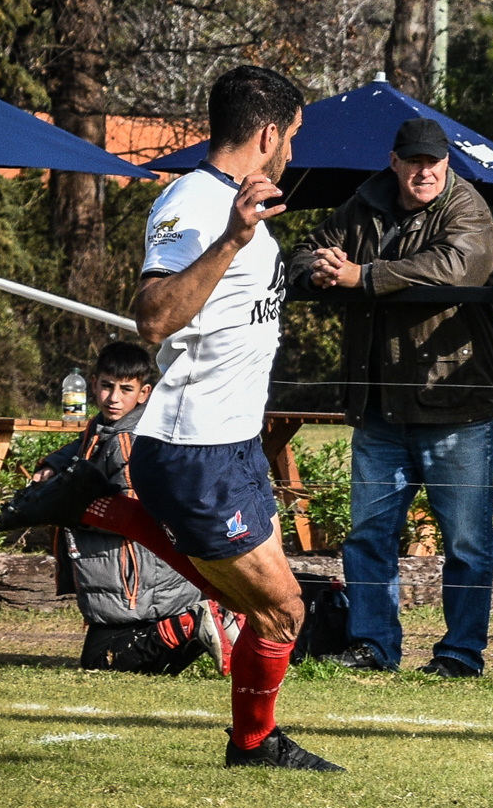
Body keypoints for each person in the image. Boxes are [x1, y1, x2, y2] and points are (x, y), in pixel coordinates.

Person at [131, 64, 341, 770]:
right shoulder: (195, 203)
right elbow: (154, 317)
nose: (293, 154)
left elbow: (235, 303)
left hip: (234, 445)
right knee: (284, 609)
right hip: (195, 449)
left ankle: (255, 743)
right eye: (293, 138)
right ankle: (253, 745)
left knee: (270, 609)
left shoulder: (238, 203)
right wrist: (231, 239)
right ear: (267, 133)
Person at [286, 117, 493, 678]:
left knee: (466, 544)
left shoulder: (467, 207)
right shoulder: (363, 205)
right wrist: (321, 274)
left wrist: (365, 276)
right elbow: (306, 252)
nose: (424, 171)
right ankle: (374, 646)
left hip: (454, 407)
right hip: (378, 407)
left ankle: (459, 654)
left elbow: (461, 265)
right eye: (414, 161)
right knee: (367, 537)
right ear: (395, 161)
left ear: (447, 163)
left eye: (434, 161)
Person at [34, 343, 237, 676]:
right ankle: (200, 624)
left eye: (125, 389)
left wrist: (64, 510)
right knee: (136, 662)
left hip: (140, 582)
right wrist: (54, 465)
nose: (113, 397)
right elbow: (85, 446)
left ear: (144, 393)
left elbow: (134, 511)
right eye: (106, 386)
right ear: (93, 382)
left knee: (101, 661)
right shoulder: (113, 427)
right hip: (151, 579)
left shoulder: (128, 438)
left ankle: (193, 623)